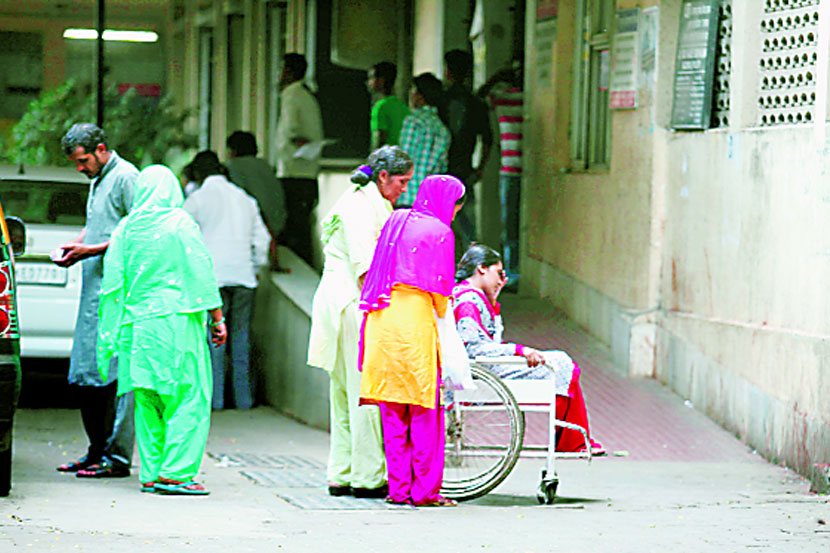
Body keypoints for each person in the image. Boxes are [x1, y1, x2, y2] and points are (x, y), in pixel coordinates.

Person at [97, 165, 226, 495]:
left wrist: (112, 329)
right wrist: (217, 317)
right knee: (188, 396)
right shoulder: (179, 222)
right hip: (177, 321)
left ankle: (152, 473)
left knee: (148, 398)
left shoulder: (126, 229)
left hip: (138, 327)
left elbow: (113, 281)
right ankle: (177, 473)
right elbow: (200, 268)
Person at [308, 146, 414, 498]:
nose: (404, 189)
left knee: (343, 394)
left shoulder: (364, 200)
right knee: (364, 394)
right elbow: (365, 270)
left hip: (339, 303)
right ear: (383, 176)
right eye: (401, 181)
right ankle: (368, 476)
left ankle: (343, 472)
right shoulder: (360, 207)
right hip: (351, 305)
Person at [359, 174, 466, 507]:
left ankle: (399, 490)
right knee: (423, 411)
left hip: (380, 320)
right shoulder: (441, 232)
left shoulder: (396, 219)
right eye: (457, 205)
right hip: (414, 324)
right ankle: (425, 492)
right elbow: (440, 295)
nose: (456, 211)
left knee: (392, 410)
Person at [452, 244, 605, 455]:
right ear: (481, 269)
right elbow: (474, 347)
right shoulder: (469, 301)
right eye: (498, 273)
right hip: (482, 371)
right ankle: (571, 441)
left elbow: (491, 340)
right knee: (559, 363)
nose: (500, 280)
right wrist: (519, 350)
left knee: (560, 361)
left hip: (487, 367)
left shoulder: (472, 297)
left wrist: (494, 300)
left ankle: (573, 440)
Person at [54, 123, 137, 479]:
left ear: (101, 149)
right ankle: (95, 451)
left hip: (117, 291)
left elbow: (136, 231)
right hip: (94, 288)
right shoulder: (98, 179)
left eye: (84, 160)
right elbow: (101, 226)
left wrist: (91, 249)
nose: (80, 168)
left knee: (113, 378)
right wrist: (79, 243)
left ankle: (115, 456)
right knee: (87, 374)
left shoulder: (126, 177)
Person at [184, 151, 270, 411]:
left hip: (212, 280)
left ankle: (216, 401)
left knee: (214, 339)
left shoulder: (196, 200)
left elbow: (184, 237)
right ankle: (244, 401)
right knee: (241, 338)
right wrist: (256, 266)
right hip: (244, 277)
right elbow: (262, 239)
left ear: (198, 174)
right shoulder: (245, 199)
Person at [275, 53, 324, 267]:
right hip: (309, 172)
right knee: (304, 225)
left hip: (292, 170)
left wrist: (293, 141)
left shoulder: (291, 94)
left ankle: (297, 269)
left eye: (281, 69)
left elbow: (290, 128)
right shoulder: (308, 95)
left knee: (293, 228)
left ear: (289, 72)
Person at [478, 62, 524, 282]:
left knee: (510, 224)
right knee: (517, 224)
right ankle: (514, 271)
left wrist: (498, 75)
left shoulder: (502, 98)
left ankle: (513, 271)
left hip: (510, 169)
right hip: (520, 169)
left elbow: (480, 94)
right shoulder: (525, 99)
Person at [443, 49, 494, 246]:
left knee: (438, 220)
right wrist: (480, 168)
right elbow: (488, 139)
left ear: (448, 72)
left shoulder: (442, 100)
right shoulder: (476, 103)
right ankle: (471, 265)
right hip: (464, 169)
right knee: (467, 223)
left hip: (441, 169)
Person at [226, 131, 287, 271]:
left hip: (259, 229)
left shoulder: (234, 166)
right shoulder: (266, 166)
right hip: (278, 225)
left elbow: (240, 200)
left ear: (233, 151)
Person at [397, 73, 451, 207]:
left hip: (408, 197)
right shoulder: (442, 128)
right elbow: (442, 167)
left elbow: (403, 160)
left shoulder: (414, 121)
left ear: (419, 96)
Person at [367, 62, 410, 150]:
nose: (368, 82)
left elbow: (379, 141)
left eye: (371, 78)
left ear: (381, 81)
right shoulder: (403, 106)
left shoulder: (380, 107)